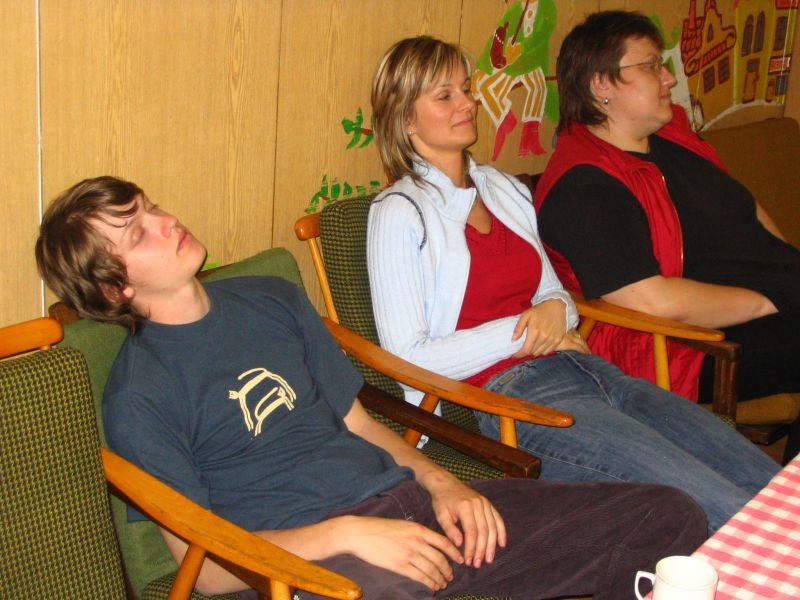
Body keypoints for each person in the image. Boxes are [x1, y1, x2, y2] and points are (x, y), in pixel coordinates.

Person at [34, 175, 708, 600]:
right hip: (307, 566)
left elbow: (357, 422)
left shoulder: (269, 298)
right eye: (138, 233)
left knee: (668, 515)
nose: (166, 221)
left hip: (412, 509)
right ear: (114, 290)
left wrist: (444, 486)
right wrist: (348, 534)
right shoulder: (139, 395)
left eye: (151, 207)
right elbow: (205, 570)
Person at [366, 35, 780, 536]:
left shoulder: (501, 188)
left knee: (767, 483)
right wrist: (528, 331)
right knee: (721, 505)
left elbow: (557, 295)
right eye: (445, 95)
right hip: (511, 401)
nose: (468, 103)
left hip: (589, 370)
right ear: (406, 119)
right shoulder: (399, 212)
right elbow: (407, 357)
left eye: (466, 88)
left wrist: (552, 314)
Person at [534, 10, 800, 406]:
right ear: (601, 84)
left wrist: (789, 270)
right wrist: (773, 298)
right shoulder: (584, 186)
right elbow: (650, 300)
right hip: (688, 345)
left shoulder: (672, 137)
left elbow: (746, 208)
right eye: (650, 66)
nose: (669, 78)